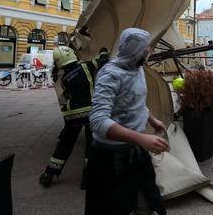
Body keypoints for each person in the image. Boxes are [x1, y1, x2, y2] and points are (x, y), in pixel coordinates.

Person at [85, 28, 168, 215]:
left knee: (149, 202)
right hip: (111, 158)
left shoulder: (137, 68)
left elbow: (133, 101)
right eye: (146, 48)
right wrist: (141, 139)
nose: (149, 51)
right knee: (113, 208)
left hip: (135, 152)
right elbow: (98, 121)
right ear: (134, 50)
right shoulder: (110, 74)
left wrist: (151, 119)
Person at [39, 46, 99, 189]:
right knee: (91, 145)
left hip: (72, 116)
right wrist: (102, 50)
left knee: (65, 144)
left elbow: (66, 96)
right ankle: (87, 178)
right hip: (91, 112)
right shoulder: (87, 66)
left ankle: (49, 173)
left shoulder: (64, 77)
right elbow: (102, 61)